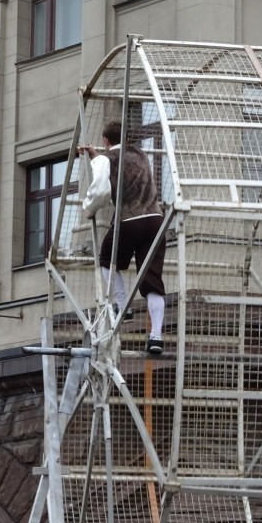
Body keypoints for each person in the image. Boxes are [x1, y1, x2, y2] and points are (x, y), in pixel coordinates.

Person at [79, 121, 166, 355]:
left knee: (107, 259)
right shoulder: (141, 154)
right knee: (153, 281)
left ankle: (122, 304)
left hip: (129, 218)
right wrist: (98, 155)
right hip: (156, 219)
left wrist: (90, 208)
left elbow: (100, 190)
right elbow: (122, 163)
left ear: (106, 140)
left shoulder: (106, 159)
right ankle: (156, 336)